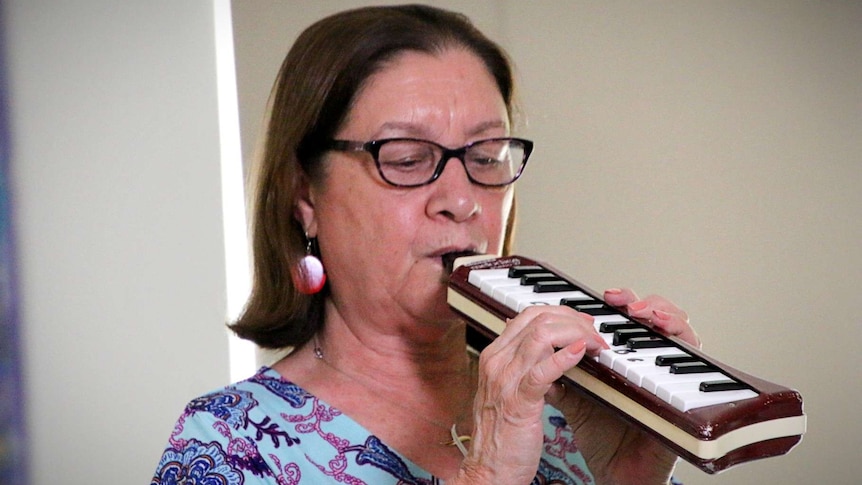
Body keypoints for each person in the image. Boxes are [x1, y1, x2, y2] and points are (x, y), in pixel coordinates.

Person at [152, 5, 699, 484]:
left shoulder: (566, 417)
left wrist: (631, 480)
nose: (461, 201)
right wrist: (486, 477)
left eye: (486, 156)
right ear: (305, 195)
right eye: (407, 158)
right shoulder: (229, 445)